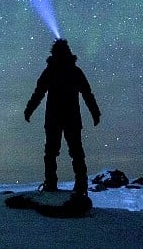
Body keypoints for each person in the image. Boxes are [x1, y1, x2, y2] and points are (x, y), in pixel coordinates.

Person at [24, 38, 101, 195]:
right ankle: (77, 184)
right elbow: (87, 94)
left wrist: (29, 110)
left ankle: (55, 184)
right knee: (72, 152)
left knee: (57, 152)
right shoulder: (73, 71)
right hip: (67, 118)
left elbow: (38, 93)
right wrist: (95, 112)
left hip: (57, 118)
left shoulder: (54, 71)